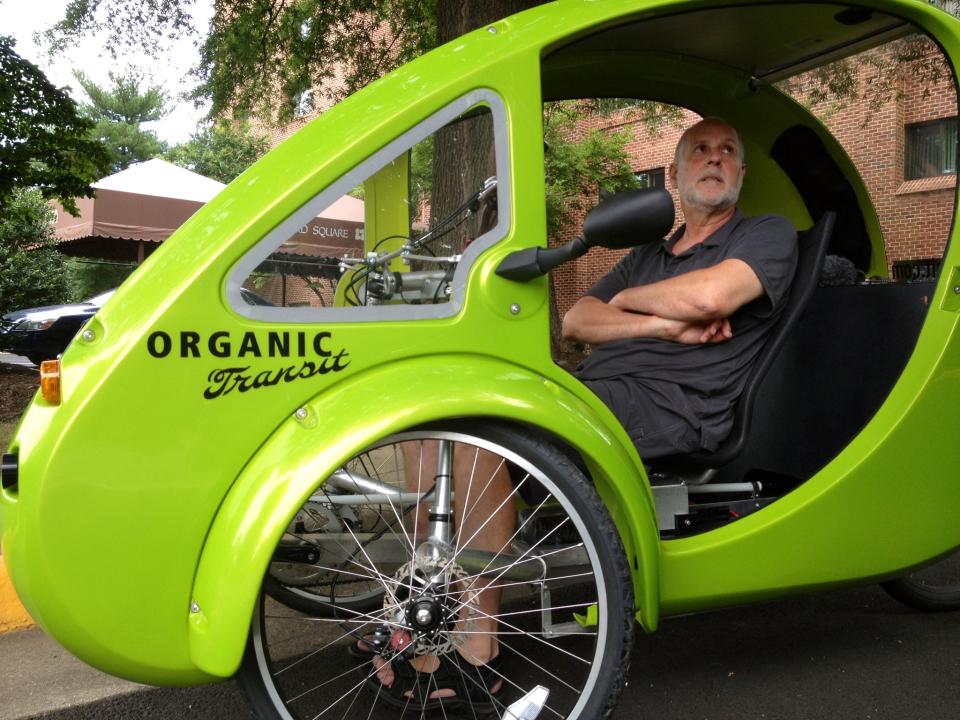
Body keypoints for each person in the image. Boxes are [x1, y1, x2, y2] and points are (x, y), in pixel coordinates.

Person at [562, 117, 798, 458]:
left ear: (741, 174)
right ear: (673, 174)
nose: (715, 158)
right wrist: (661, 326)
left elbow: (709, 298)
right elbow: (576, 322)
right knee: (481, 408)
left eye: (727, 151)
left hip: (668, 408)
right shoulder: (646, 254)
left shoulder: (767, 233)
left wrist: (626, 298)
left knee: (493, 429)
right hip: (599, 387)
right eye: (701, 149)